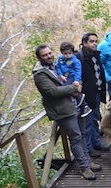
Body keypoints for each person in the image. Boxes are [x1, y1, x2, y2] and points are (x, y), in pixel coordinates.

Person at [32, 45, 101, 180]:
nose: (49, 56)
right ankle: (84, 167)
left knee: (82, 134)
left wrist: (76, 83)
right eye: (44, 55)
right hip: (63, 110)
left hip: (76, 105)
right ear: (39, 58)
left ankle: (88, 161)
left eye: (49, 53)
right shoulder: (40, 75)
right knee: (75, 138)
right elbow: (52, 91)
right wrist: (73, 88)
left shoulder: (56, 66)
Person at [75, 32, 107, 157]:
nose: (95, 44)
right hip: (85, 95)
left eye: (95, 41)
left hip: (96, 92)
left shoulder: (95, 55)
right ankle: (88, 148)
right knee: (87, 122)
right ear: (84, 43)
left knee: (94, 118)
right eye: (91, 41)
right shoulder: (79, 57)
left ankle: (96, 142)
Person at [55, 41, 92, 118]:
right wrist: (60, 75)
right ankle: (82, 104)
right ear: (62, 53)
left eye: (69, 53)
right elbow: (57, 67)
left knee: (66, 89)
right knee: (61, 88)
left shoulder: (75, 60)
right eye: (65, 53)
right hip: (63, 77)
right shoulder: (60, 59)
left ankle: (83, 103)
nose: (68, 55)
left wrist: (77, 80)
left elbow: (78, 71)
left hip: (73, 77)